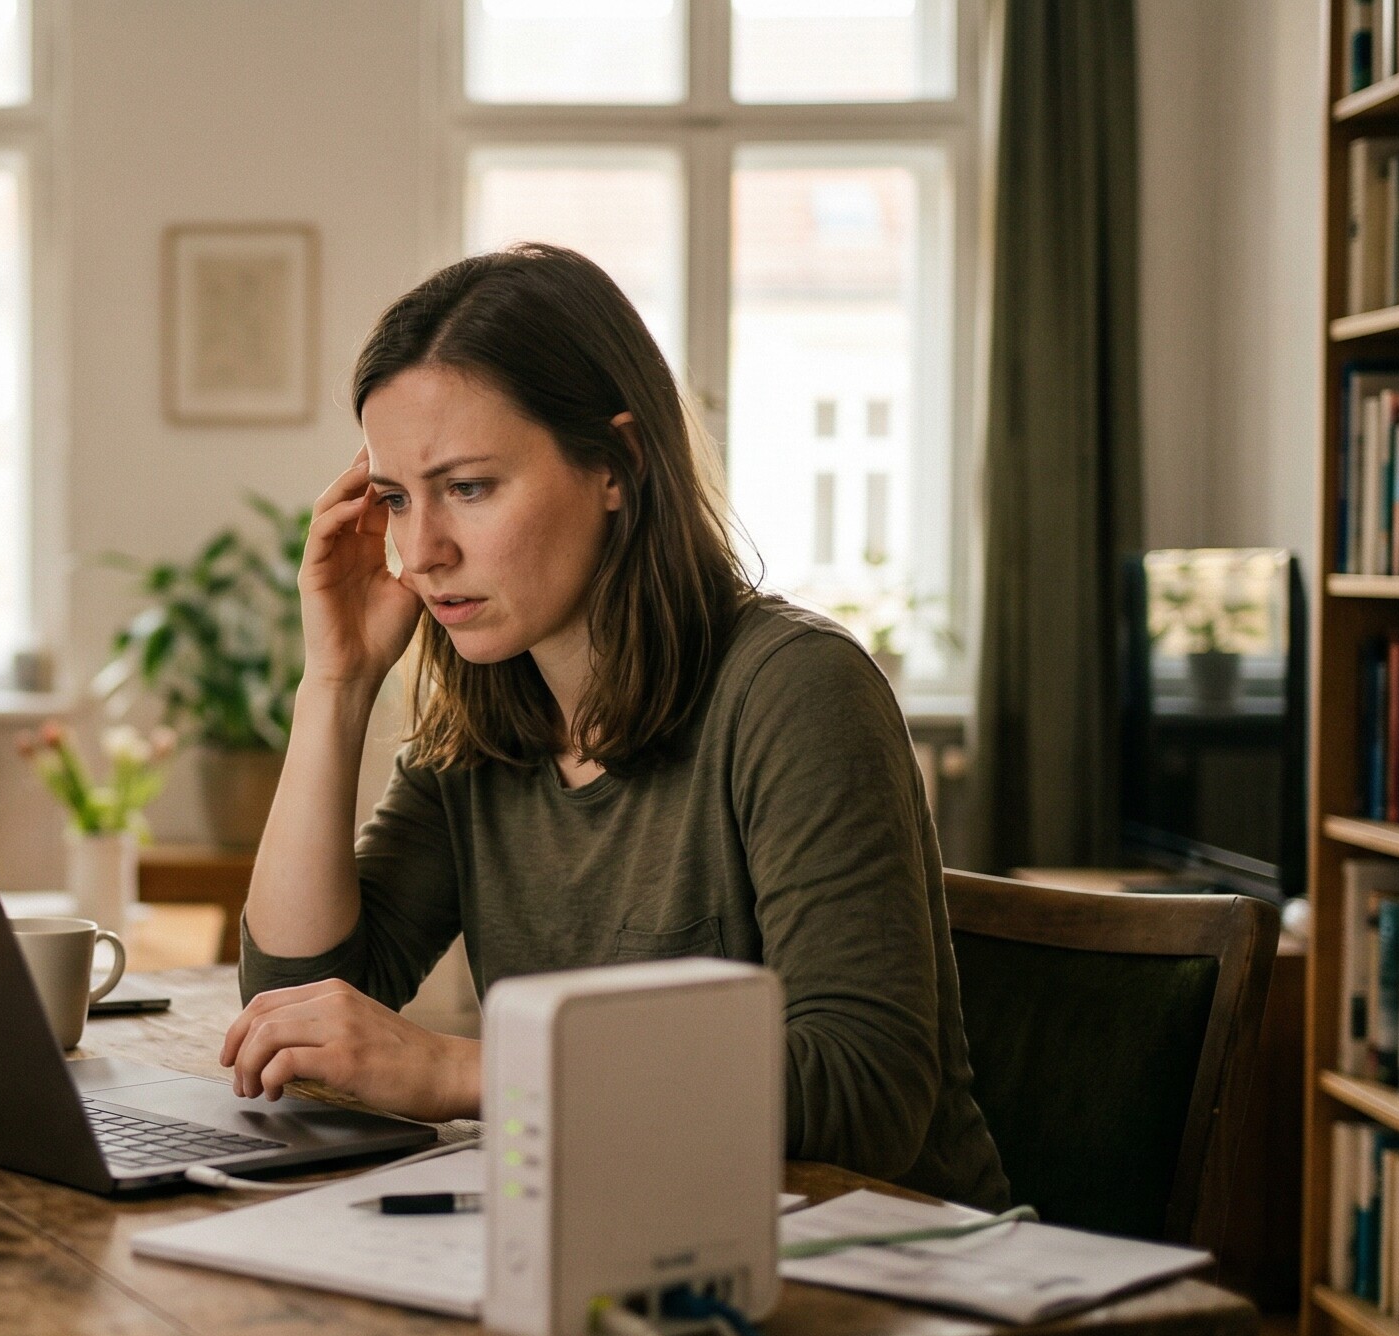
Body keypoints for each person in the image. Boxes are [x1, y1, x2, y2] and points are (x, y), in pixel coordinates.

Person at [219, 243, 1008, 1208]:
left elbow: (861, 1090)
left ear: (618, 464)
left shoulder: (795, 689)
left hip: (889, 1289)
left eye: (468, 487)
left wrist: (465, 1073)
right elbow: (296, 1011)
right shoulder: (484, 721)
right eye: (394, 498)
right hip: (625, 1240)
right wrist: (335, 686)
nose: (419, 552)